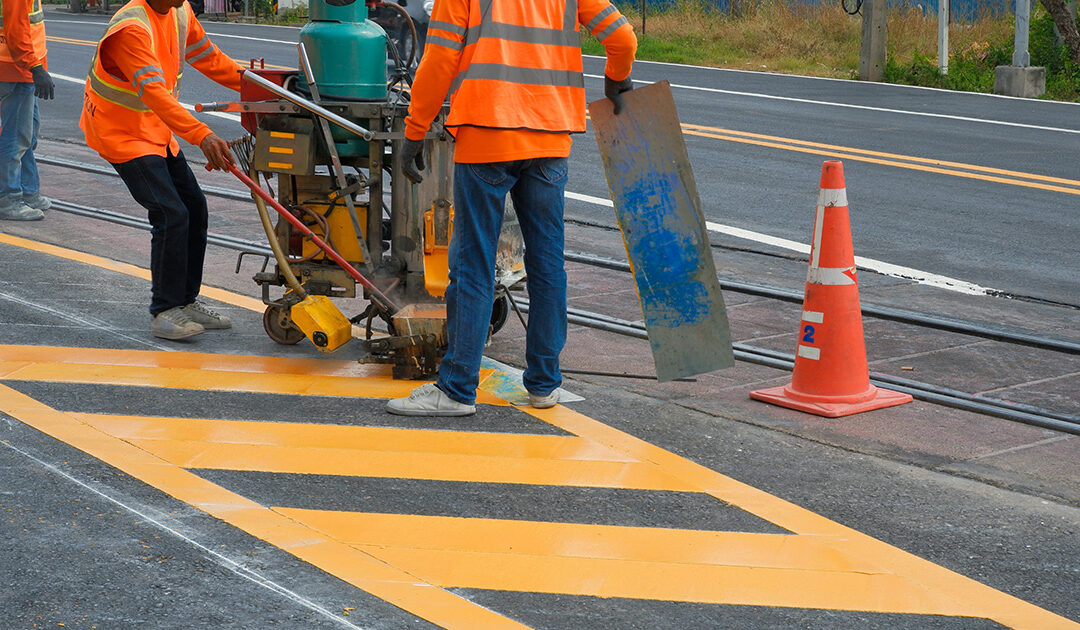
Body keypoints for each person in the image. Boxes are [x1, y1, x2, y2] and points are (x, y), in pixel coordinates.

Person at [387, 0, 636, 416]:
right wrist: (616, 79)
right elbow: (622, 38)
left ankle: (457, 389)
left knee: (473, 266)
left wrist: (415, 129)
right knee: (547, 266)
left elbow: (441, 57)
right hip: (551, 136)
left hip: (487, 134)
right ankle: (543, 385)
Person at [80, 0, 242, 340]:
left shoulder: (179, 11)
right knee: (171, 213)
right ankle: (165, 311)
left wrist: (262, 85)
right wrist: (202, 134)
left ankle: (186, 301)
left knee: (194, 207)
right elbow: (153, 91)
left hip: (155, 130)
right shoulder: (131, 28)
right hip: (121, 133)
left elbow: (209, 56)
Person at [0, 0, 54, 221]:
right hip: (16, 68)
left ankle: (28, 190)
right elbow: (17, 30)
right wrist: (35, 67)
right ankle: (9, 199)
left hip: (18, 67)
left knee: (27, 135)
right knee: (16, 137)